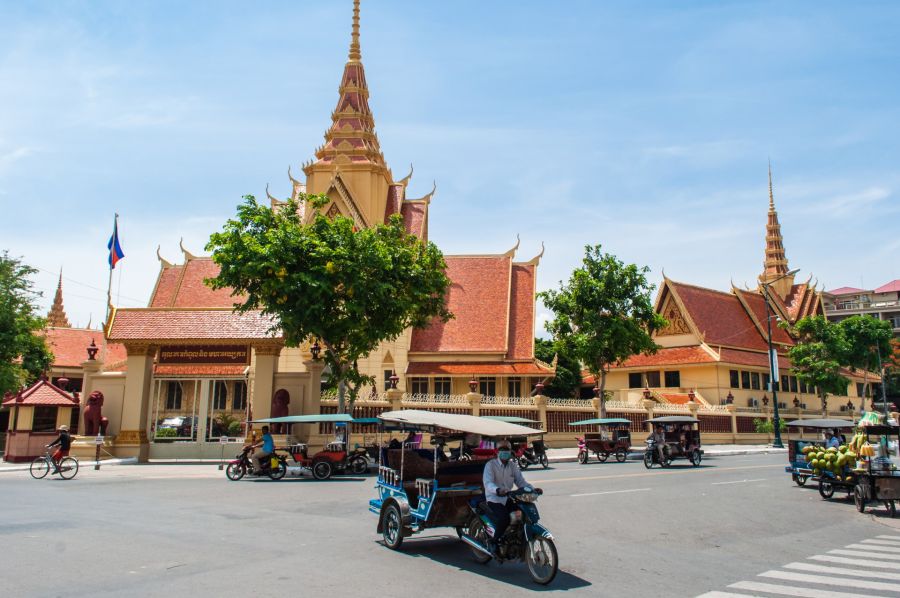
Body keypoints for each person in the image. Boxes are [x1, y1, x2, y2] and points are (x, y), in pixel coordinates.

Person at [482, 439, 529, 551]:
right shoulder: (490, 465)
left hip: (508, 497)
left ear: (510, 451)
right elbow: (488, 483)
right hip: (494, 499)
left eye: (507, 449)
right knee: (504, 519)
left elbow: (521, 481)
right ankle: (494, 541)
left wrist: (532, 489)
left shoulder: (512, 465)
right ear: (497, 451)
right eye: (502, 449)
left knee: (523, 514)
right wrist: (497, 490)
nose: (505, 452)